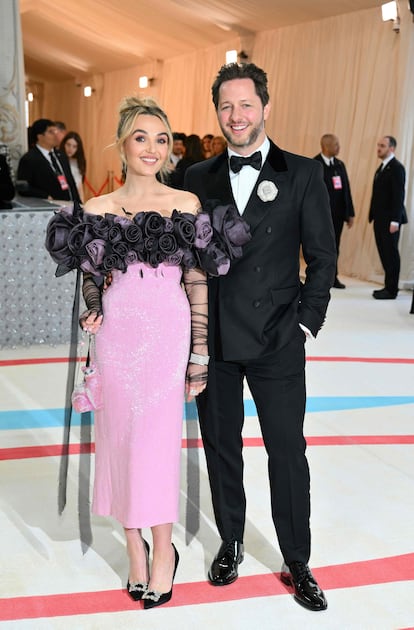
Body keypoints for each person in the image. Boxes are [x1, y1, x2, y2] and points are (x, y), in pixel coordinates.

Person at [45, 97, 249, 609]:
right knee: (119, 441)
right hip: (117, 336)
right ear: (122, 144)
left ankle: (163, 550)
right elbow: (91, 277)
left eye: (161, 139)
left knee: (156, 445)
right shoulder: (96, 209)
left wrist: (200, 354)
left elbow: (198, 281)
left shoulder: (185, 204)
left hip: (166, 331)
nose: (153, 148)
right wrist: (91, 306)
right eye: (141, 137)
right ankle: (134, 547)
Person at [185, 62, 336, 612]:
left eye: (246, 105)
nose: (237, 115)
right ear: (217, 113)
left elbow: (321, 258)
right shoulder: (197, 177)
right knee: (222, 449)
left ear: (266, 108)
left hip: (277, 338)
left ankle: (297, 558)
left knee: (287, 452)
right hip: (218, 343)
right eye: (227, 106)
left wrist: (304, 322)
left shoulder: (301, 173)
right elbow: (186, 257)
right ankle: (230, 540)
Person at [314, 134, 355, 289]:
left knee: (334, 246)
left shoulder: (339, 165)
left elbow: (346, 190)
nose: (339, 147)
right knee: (319, 247)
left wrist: (350, 213)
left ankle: (333, 277)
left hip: (337, 216)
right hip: (319, 216)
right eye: (336, 144)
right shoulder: (314, 164)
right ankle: (319, 278)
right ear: (326, 146)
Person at [368, 135, 407, 300]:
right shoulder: (382, 167)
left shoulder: (396, 168)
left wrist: (395, 220)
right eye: (378, 145)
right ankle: (387, 285)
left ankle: (392, 290)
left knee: (391, 254)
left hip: (391, 220)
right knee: (384, 253)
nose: (379, 148)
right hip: (379, 219)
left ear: (392, 148)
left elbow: (399, 196)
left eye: (382, 146)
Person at [17, 119, 80, 202]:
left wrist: (78, 203)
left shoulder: (61, 155)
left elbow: (71, 182)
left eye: (56, 131)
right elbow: (23, 187)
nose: (56, 135)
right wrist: (45, 196)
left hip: (70, 206)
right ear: (40, 136)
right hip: (49, 208)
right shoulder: (29, 159)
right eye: (51, 132)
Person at [60, 131, 86, 202]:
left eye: (74, 146)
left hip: (74, 200)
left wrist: (82, 204)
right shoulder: (58, 161)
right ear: (64, 144)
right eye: (68, 145)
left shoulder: (77, 162)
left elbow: (80, 187)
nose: (70, 149)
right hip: (62, 198)